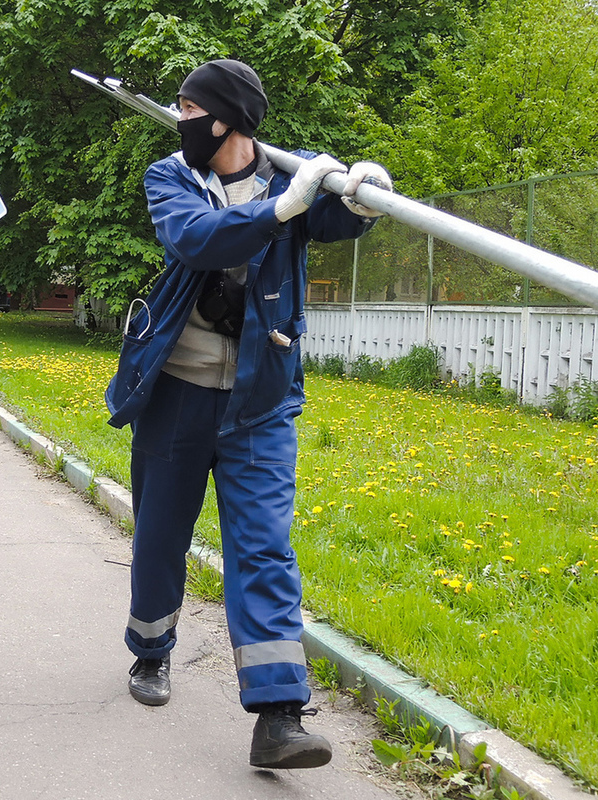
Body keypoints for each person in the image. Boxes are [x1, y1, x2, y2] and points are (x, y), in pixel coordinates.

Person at [104, 59, 392, 769]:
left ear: (227, 117)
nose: (181, 119)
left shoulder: (293, 180)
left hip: (261, 403)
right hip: (175, 392)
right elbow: (197, 241)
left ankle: (278, 716)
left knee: (263, 547)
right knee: (161, 536)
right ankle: (150, 651)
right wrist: (280, 209)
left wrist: (363, 195)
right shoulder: (171, 176)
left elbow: (335, 220)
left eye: (189, 106)